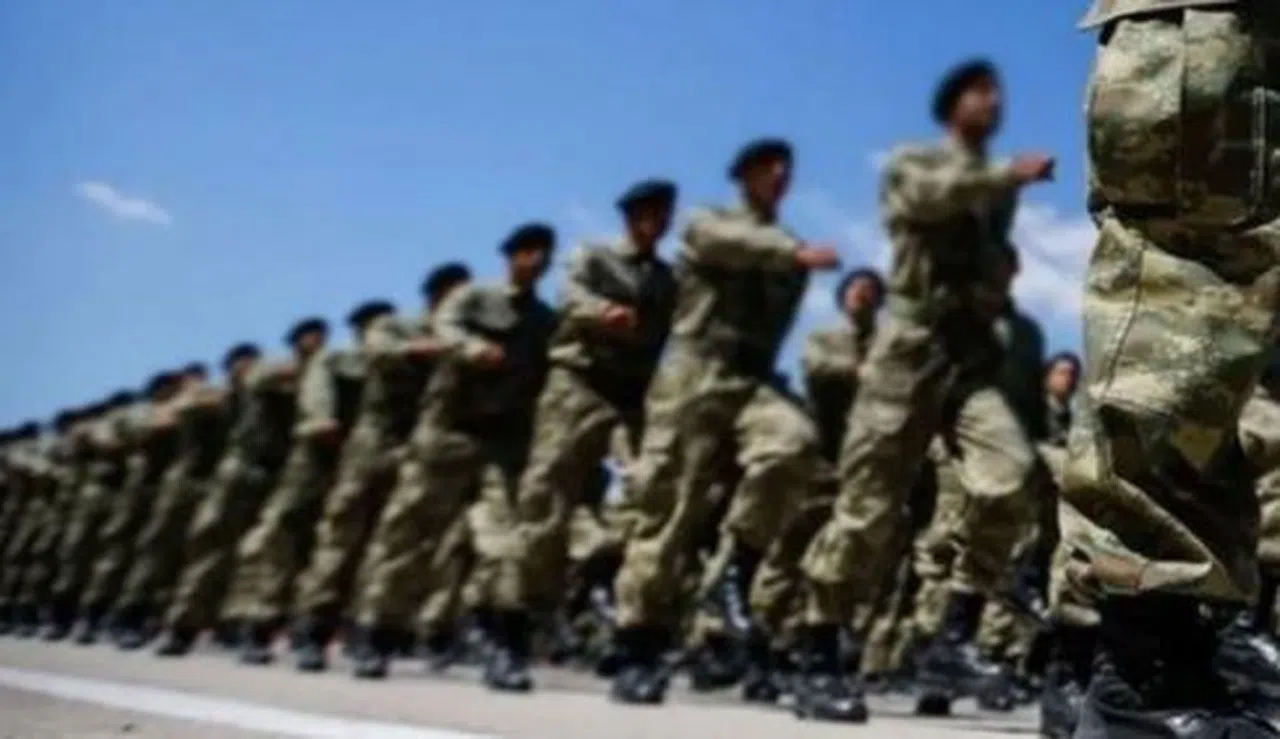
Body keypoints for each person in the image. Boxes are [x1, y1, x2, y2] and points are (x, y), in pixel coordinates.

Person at [795, 59, 1053, 722]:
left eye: (998, 93)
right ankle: (818, 653)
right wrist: (1005, 176)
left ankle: (953, 634)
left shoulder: (998, 187)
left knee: (1010, 476)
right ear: (951, 105)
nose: (993, 102)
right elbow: (927, 200)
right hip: (908, 350)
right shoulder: (915, 161)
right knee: (867, 506)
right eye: (980, 91)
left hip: (968, 358)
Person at [1066, 3, 1280, 736]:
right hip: (1218, 24)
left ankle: (1185, 656)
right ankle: (1143, 683)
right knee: (1186, 306)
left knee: (1233, 349)